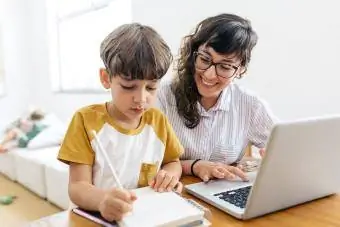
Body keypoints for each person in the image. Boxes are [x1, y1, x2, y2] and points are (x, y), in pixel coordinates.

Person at [57, 23, 183, 222]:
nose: (141, 98)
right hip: (95, 218)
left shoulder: (157, 121)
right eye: (128, 86)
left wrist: (169, 175)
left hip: (145, 218)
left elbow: (173, 162)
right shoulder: (85, 121)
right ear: (106, 78)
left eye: (151, 87)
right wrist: (102, 200)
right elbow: (77, 187)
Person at [157, 13, 277, 183]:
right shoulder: (162, 97)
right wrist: (195, 166)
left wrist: (277, 157)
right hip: (175, 192)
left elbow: (284, 147)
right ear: (193, 54)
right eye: (205, 59)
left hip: (223, 190)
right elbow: (147, 163)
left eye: (225, 67)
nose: (209, 74)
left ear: (240, 69)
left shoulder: (250, 105)